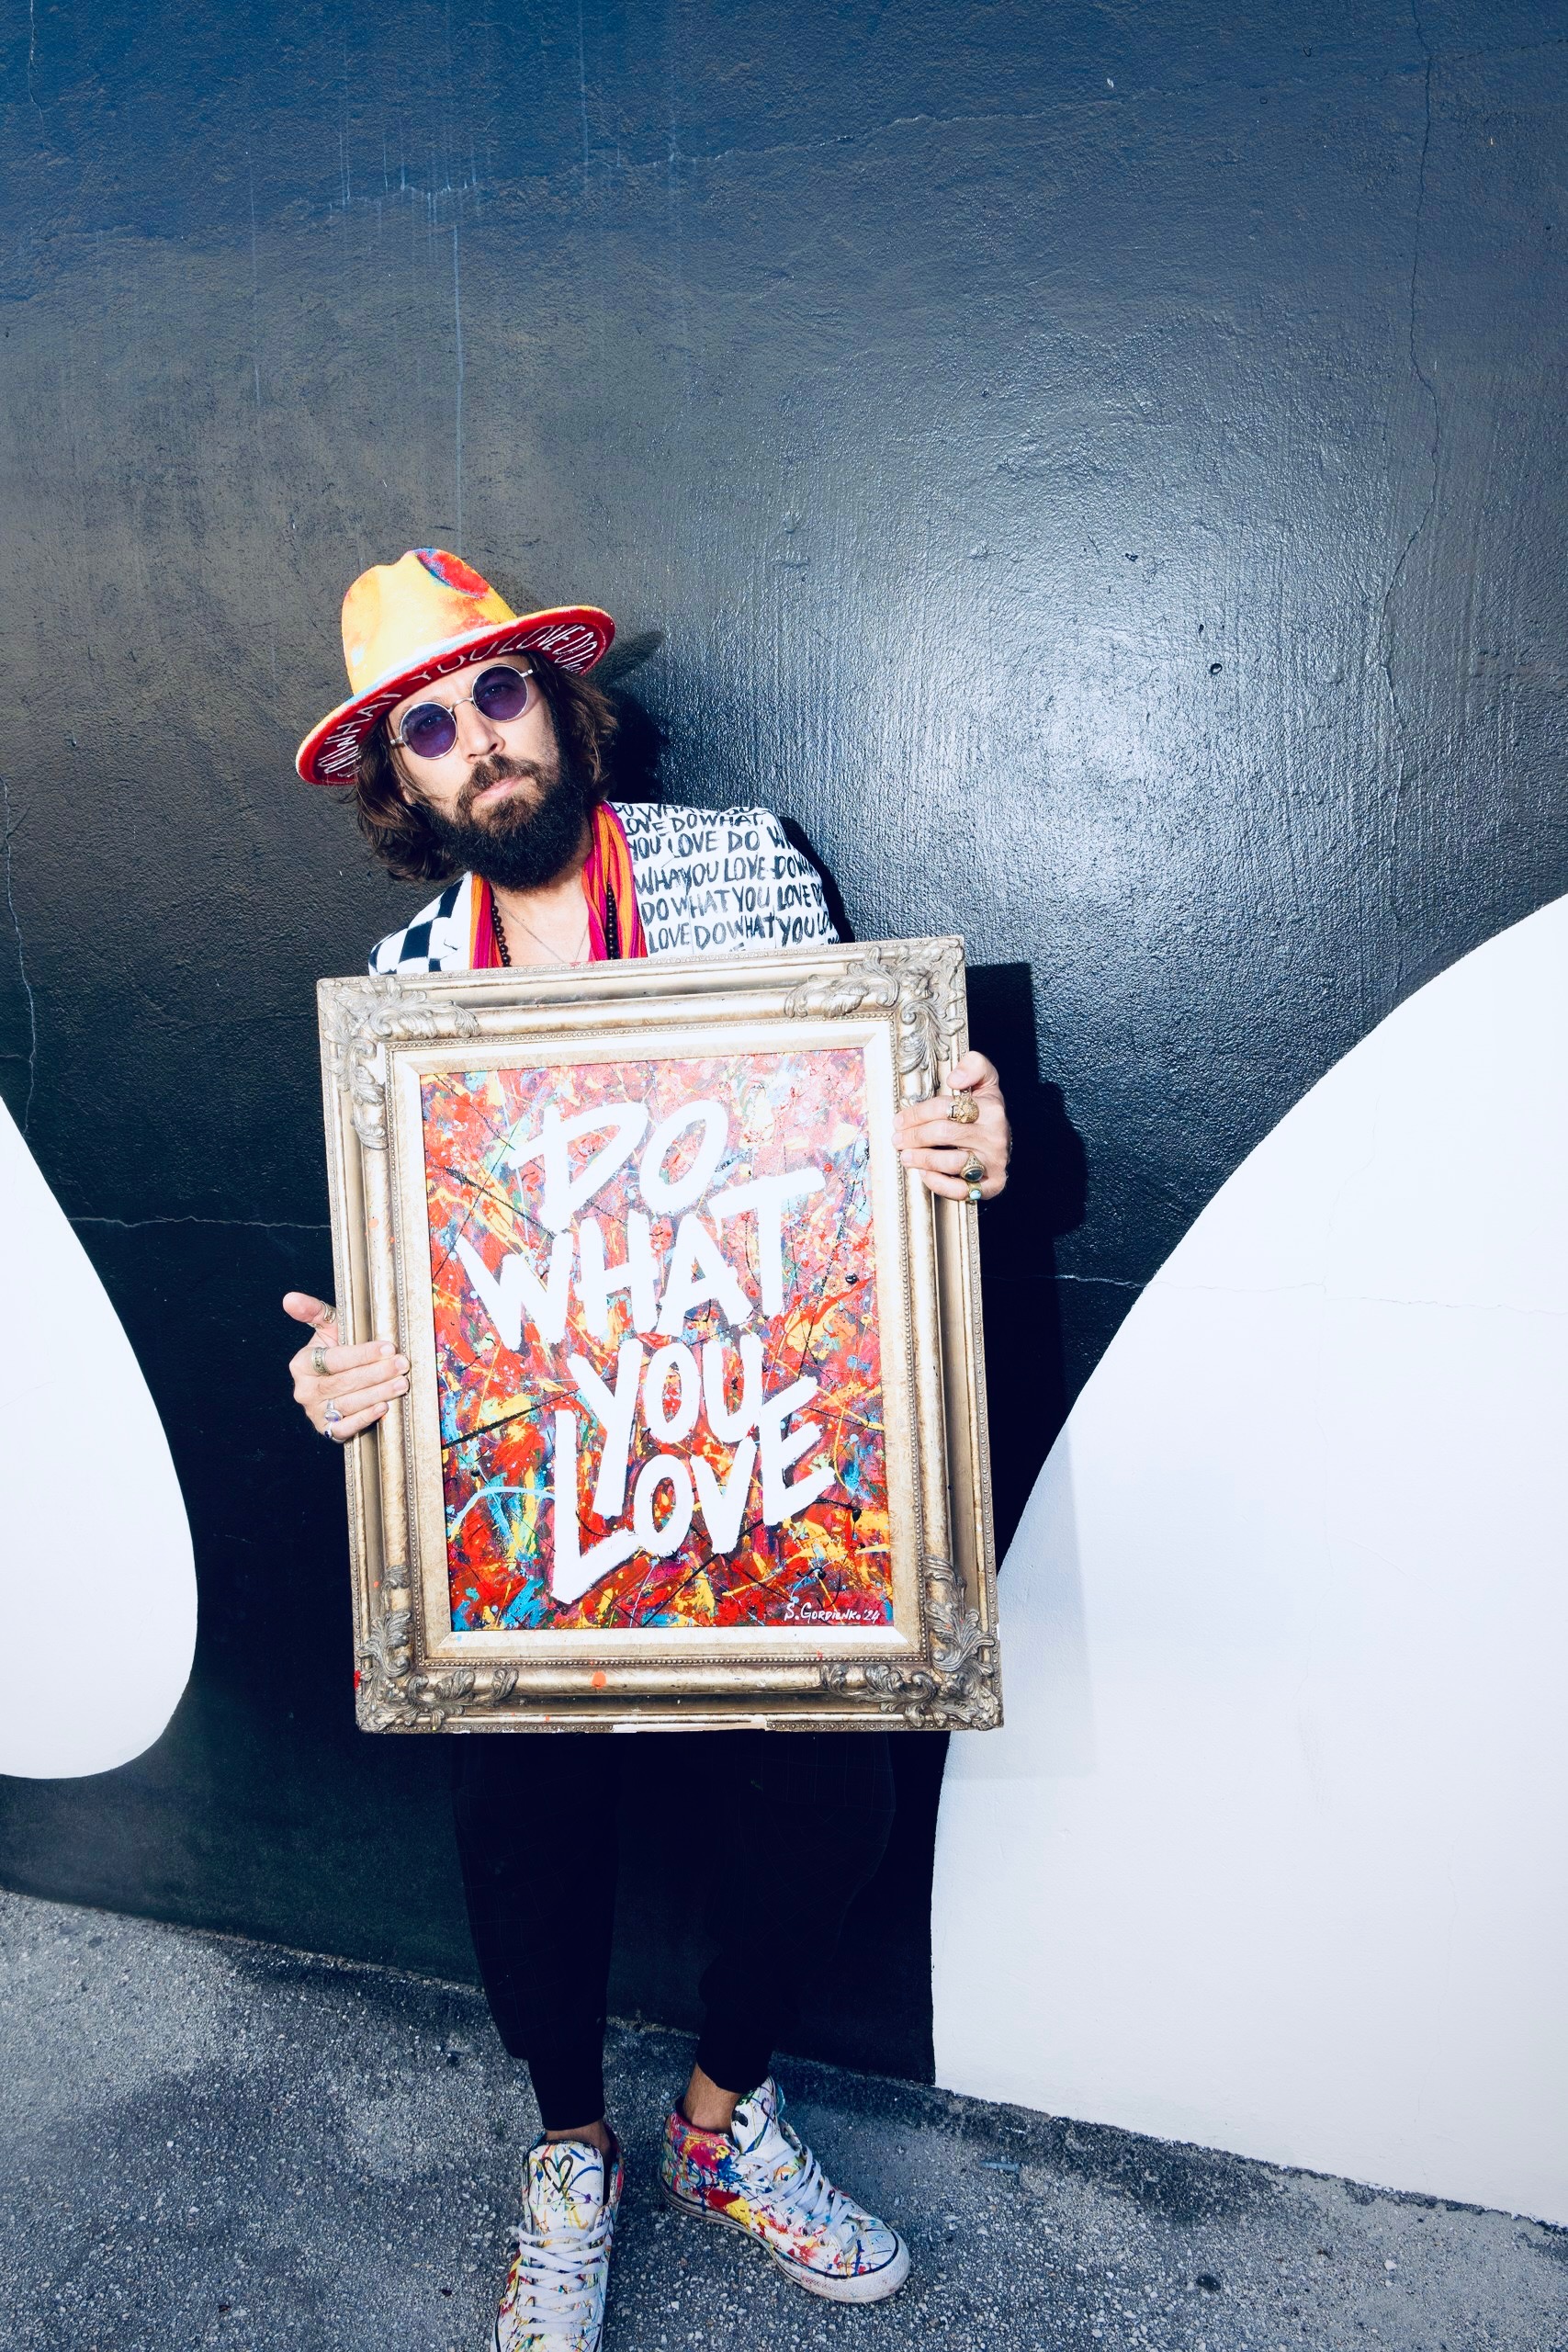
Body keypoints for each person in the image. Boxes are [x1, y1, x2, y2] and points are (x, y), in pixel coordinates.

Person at [283, 547, 1011, 2352]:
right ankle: (570, 2153)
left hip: (761, 1444)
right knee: (514, 1810)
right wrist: (358, 1377)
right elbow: (431, 1282)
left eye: (497, 694)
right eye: (428, 728)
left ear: (556, 699)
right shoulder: (403, 984)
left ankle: (719, 2121)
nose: (477, 741)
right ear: (402, 784)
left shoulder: (737, 865)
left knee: (833, 1798)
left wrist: (965, 1143)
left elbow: (864, 1137)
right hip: (549, 1481)